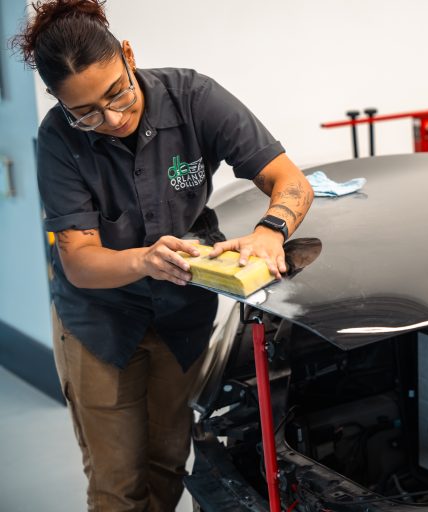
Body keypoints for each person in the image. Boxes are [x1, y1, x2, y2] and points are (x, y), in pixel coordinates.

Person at [11, 0, 314, 510]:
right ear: (58, 103)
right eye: (86, 112)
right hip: (99, 324)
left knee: (167, 463)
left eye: (117, 93)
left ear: (128, 55)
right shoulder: (59, 140)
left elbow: (290, 181)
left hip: (180, 320)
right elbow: (79, 261)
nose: (111, 118)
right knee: (118, 483)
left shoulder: (194, 98)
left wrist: (270, 230)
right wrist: (142, 260)